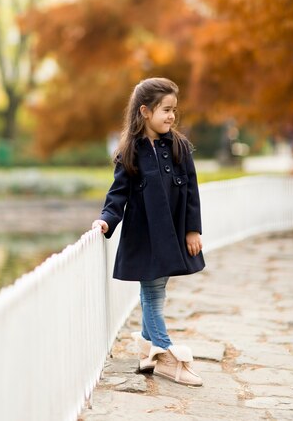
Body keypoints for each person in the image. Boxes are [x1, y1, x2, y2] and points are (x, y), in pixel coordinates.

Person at [92, 77, 205, 387]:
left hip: (173, 234)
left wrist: (192, 230)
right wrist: (106, 220)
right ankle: (165, 354)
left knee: (157, 290)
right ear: (144, 111)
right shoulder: (129, 152)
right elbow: (118, 195)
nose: (171, 116)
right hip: (145, 237)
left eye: (174, 111)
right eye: (165, 110)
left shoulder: (180, 146)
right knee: (153, 294)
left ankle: (145, 343)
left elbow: (192, 191)